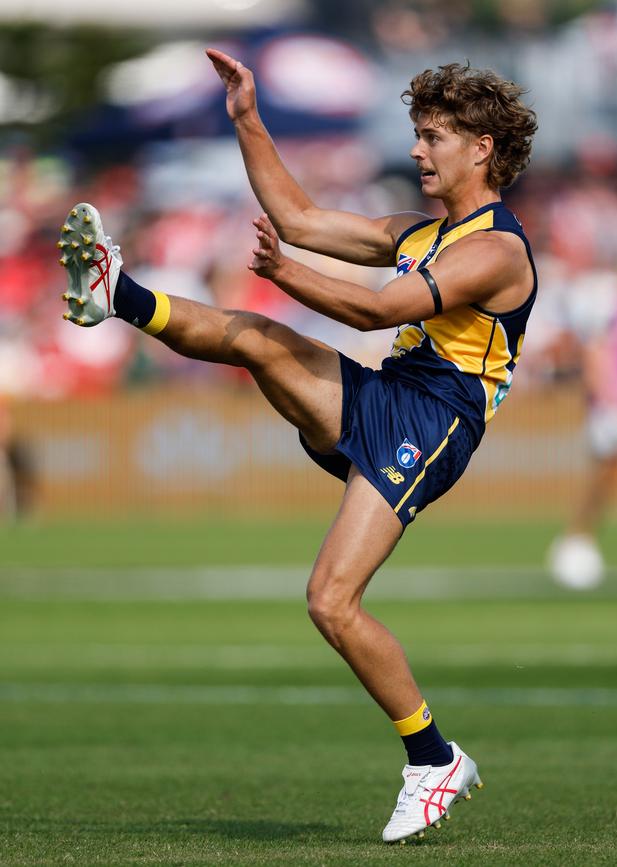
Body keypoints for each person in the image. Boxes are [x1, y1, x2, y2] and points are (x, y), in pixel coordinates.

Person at [58, 53, 537, 843]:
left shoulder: (498, 249)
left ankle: (435, 757)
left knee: (330, 600)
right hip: (394, 397)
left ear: (480, 147)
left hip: (434, 422)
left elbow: (376, 311)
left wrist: (284, 272)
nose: (417, 151)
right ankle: (119, 294)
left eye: (431, 137)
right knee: (261, 342)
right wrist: (246, 116)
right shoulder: (421, 232)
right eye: (417, 136)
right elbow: (302, 219)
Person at [549, 250, 617, 589]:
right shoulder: (613, 311)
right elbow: (597, 355)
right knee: (609, 477)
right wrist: (612, 397)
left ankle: (579, 538)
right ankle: (578, 537)